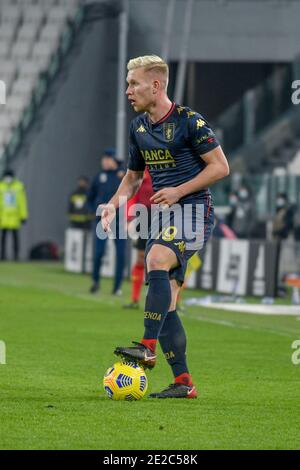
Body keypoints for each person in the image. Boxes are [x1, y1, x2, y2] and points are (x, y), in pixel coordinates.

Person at [99, 55, 229, 398]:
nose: (128, 90)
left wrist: (179, 191)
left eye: (134, 83)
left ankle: (146, 346)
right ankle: (184, 382)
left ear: (156, 85)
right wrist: (113, 205)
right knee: (167, 302)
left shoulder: (190, 121)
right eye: (128, 84)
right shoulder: (138, 128)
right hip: (164, 216)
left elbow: (220, 167)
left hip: (194, 210)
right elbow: (132, 178)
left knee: (155, 259)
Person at [88, 149, 126, 295]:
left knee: (121, 255)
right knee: (98, 253)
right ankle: (95, 281)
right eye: (103, 158)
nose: (104, 161)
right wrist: (94, 210)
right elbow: (90, 197)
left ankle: (117, 287)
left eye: (107, 158)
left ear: (113, 160)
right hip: (102, 221)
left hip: (119, 220)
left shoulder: (123, 175)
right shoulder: (99, 176)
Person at [123, 167, 153, 309]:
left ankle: (174, 300)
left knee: (166, 259)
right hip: (144, 216)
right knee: (141, 258)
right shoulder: (141, 170)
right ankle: (134, 299)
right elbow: (132, 194)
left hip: (164, 214)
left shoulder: (167, 166)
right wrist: (129, 217)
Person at [0, 169, 28, 261]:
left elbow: (22, 202)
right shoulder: (1, 186)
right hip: (3, 216)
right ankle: (3, 255)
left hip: (15, 217)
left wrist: (23, 216)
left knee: (15, 238)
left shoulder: (19, 186)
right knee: (3, 238)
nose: (8, 179)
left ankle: (16, 256)